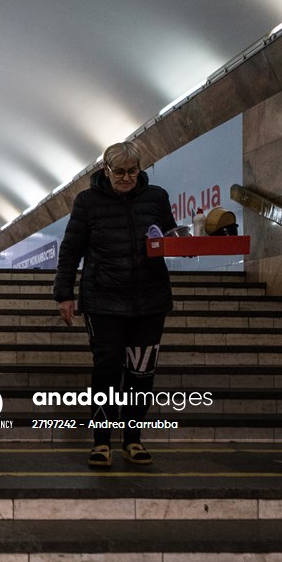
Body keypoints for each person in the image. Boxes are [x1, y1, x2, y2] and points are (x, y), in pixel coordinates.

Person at [52, 141, 177, 468]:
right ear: (106, 170)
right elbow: (71, 250)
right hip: (103, 300)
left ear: (140, 169)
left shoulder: (157, 197)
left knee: (141, 373)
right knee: (107, 371)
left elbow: (169, 236)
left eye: (132, 171)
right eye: (119, 172)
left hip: (150, 300)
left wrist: (185, 244)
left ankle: (133, 440)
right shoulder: (87, 202)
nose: (126, 177)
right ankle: (102, 442)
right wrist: (64, 294)